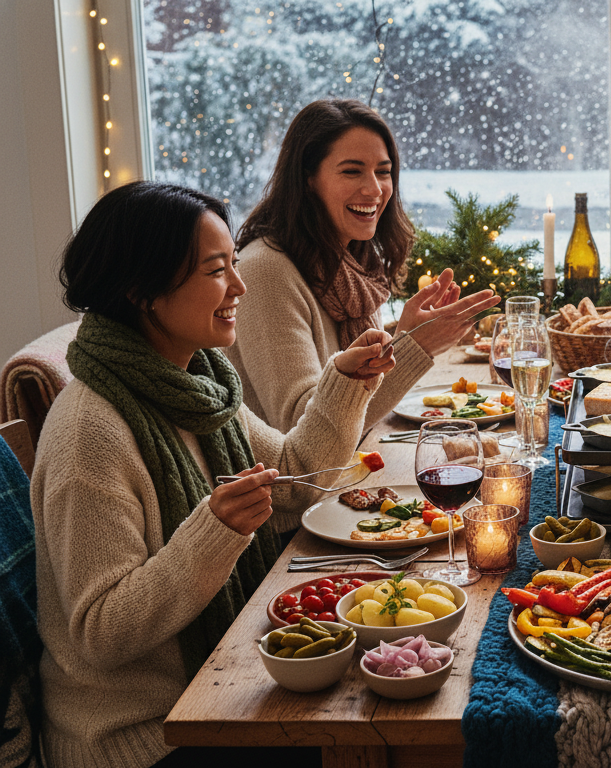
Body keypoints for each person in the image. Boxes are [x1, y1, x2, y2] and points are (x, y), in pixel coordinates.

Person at [32, 181, 391, 768]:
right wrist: (213, 533)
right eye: (216, 270)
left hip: (219, 686)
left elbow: (297, 479)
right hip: (146, 736)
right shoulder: (89, 434)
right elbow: (98, 633)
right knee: (375, 731)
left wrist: (344, 382)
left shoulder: (197, 383)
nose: (240, 287)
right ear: (142, 290)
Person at [227, 98, 499, 433]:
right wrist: (413, 346)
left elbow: (357, 406)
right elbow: (305, 431)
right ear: (308, 178)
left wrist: (407, 335)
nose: (374, 189)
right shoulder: (266, 272)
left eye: (383, 172)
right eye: (352, 171)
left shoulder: (354, 264)